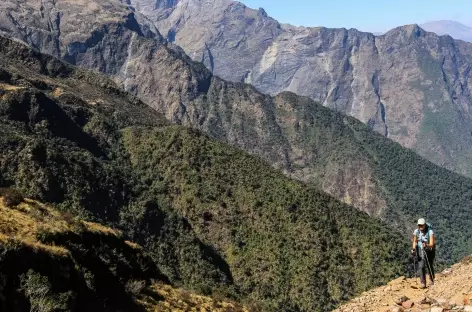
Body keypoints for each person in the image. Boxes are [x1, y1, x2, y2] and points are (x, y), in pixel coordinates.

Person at [411, 218, 435, 288]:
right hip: (420, 249)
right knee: (421, 266)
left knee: (429, 264)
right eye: (419, 225)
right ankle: (423, 283)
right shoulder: (416, 231)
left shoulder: (430, 231)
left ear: (424, 225)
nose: (420, 227)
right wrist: (413, 248)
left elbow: (432, 244)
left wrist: (426, 245)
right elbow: (415, 241)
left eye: (421, 225)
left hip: (429, 249)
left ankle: (431, 279)